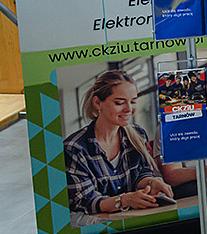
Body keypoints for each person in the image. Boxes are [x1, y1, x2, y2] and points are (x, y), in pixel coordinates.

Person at [64, 68, 174, 216]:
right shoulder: (74, 149)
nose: (129, 109)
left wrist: (151, 182)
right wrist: (124, 200)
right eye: (119, 102)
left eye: (133, 101)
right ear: (98, 103)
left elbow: (141, 174)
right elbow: (83, 202)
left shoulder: (138, 135)